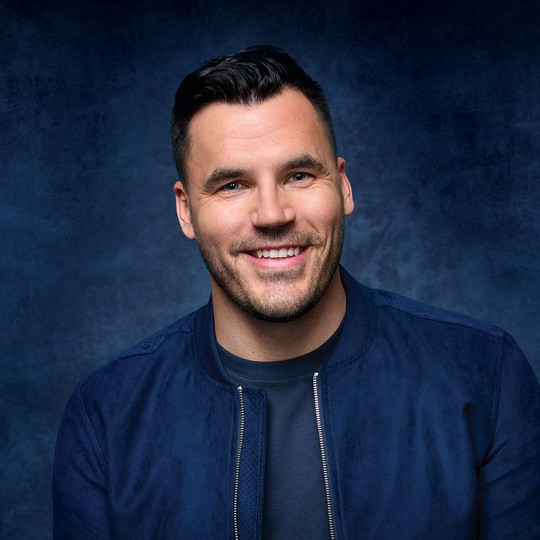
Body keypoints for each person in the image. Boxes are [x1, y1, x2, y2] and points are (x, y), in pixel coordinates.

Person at [53, 45, 540, 539]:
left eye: (299, 175)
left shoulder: (486, 375)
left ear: (343, 186)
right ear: (186, 211)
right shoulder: (106, 416)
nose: (272, 214)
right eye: (232, 185)